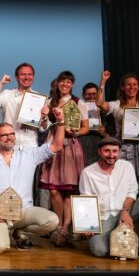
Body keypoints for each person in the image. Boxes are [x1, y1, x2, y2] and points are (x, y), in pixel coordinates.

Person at [0, 110, 65, 253]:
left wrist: (61, 121)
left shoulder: (29, 155)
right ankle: (5, 231)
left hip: (24, 211)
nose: (8, 137)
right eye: (4, 135)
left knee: (52, 221)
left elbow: (57, 146)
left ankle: (18, 230)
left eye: (11, 134)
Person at [79, 136, 139, 259]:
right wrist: (88, 225)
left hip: (128, 209)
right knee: (98, 250)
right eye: (107, 151)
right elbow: (86, 200)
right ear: (99, 151)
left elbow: (132, 191)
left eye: (115, 151)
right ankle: (121, 244)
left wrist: (125, 211)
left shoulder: (126, 166)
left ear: (119, 152)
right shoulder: (88, 172)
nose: (111, 155)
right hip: (104, 216)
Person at [40, 71, 90, 246]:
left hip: (71, 147)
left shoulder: (79, 103)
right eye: (63, 81)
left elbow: (85, 127)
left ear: (73, 84)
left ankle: (65, 228)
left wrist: (77, 131)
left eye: (69, 82)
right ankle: (58, 224)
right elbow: (43, 126)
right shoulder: (50, 101)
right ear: (58, 83)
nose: (65, 84)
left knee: (69, 190)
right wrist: (44, 115)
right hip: (54, 145)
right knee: (54, 190)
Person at [96, 70, 139, 193]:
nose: (131, 87)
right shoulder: (117, 105)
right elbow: (99, 103)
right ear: (123, 87)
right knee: (124, 181)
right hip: (123, 147)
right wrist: (103, 81)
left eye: (134, 84)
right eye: (128, 84)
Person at [0, 63, 50, 147]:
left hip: (30, 145)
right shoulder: (7, 94)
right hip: (9, 144)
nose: (27, 77)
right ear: (16, 77)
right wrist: (1, 84)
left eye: (30, 74)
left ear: (33, 77)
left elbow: (43, 128)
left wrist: (44, 117)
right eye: (23, 74)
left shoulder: (40, 98)